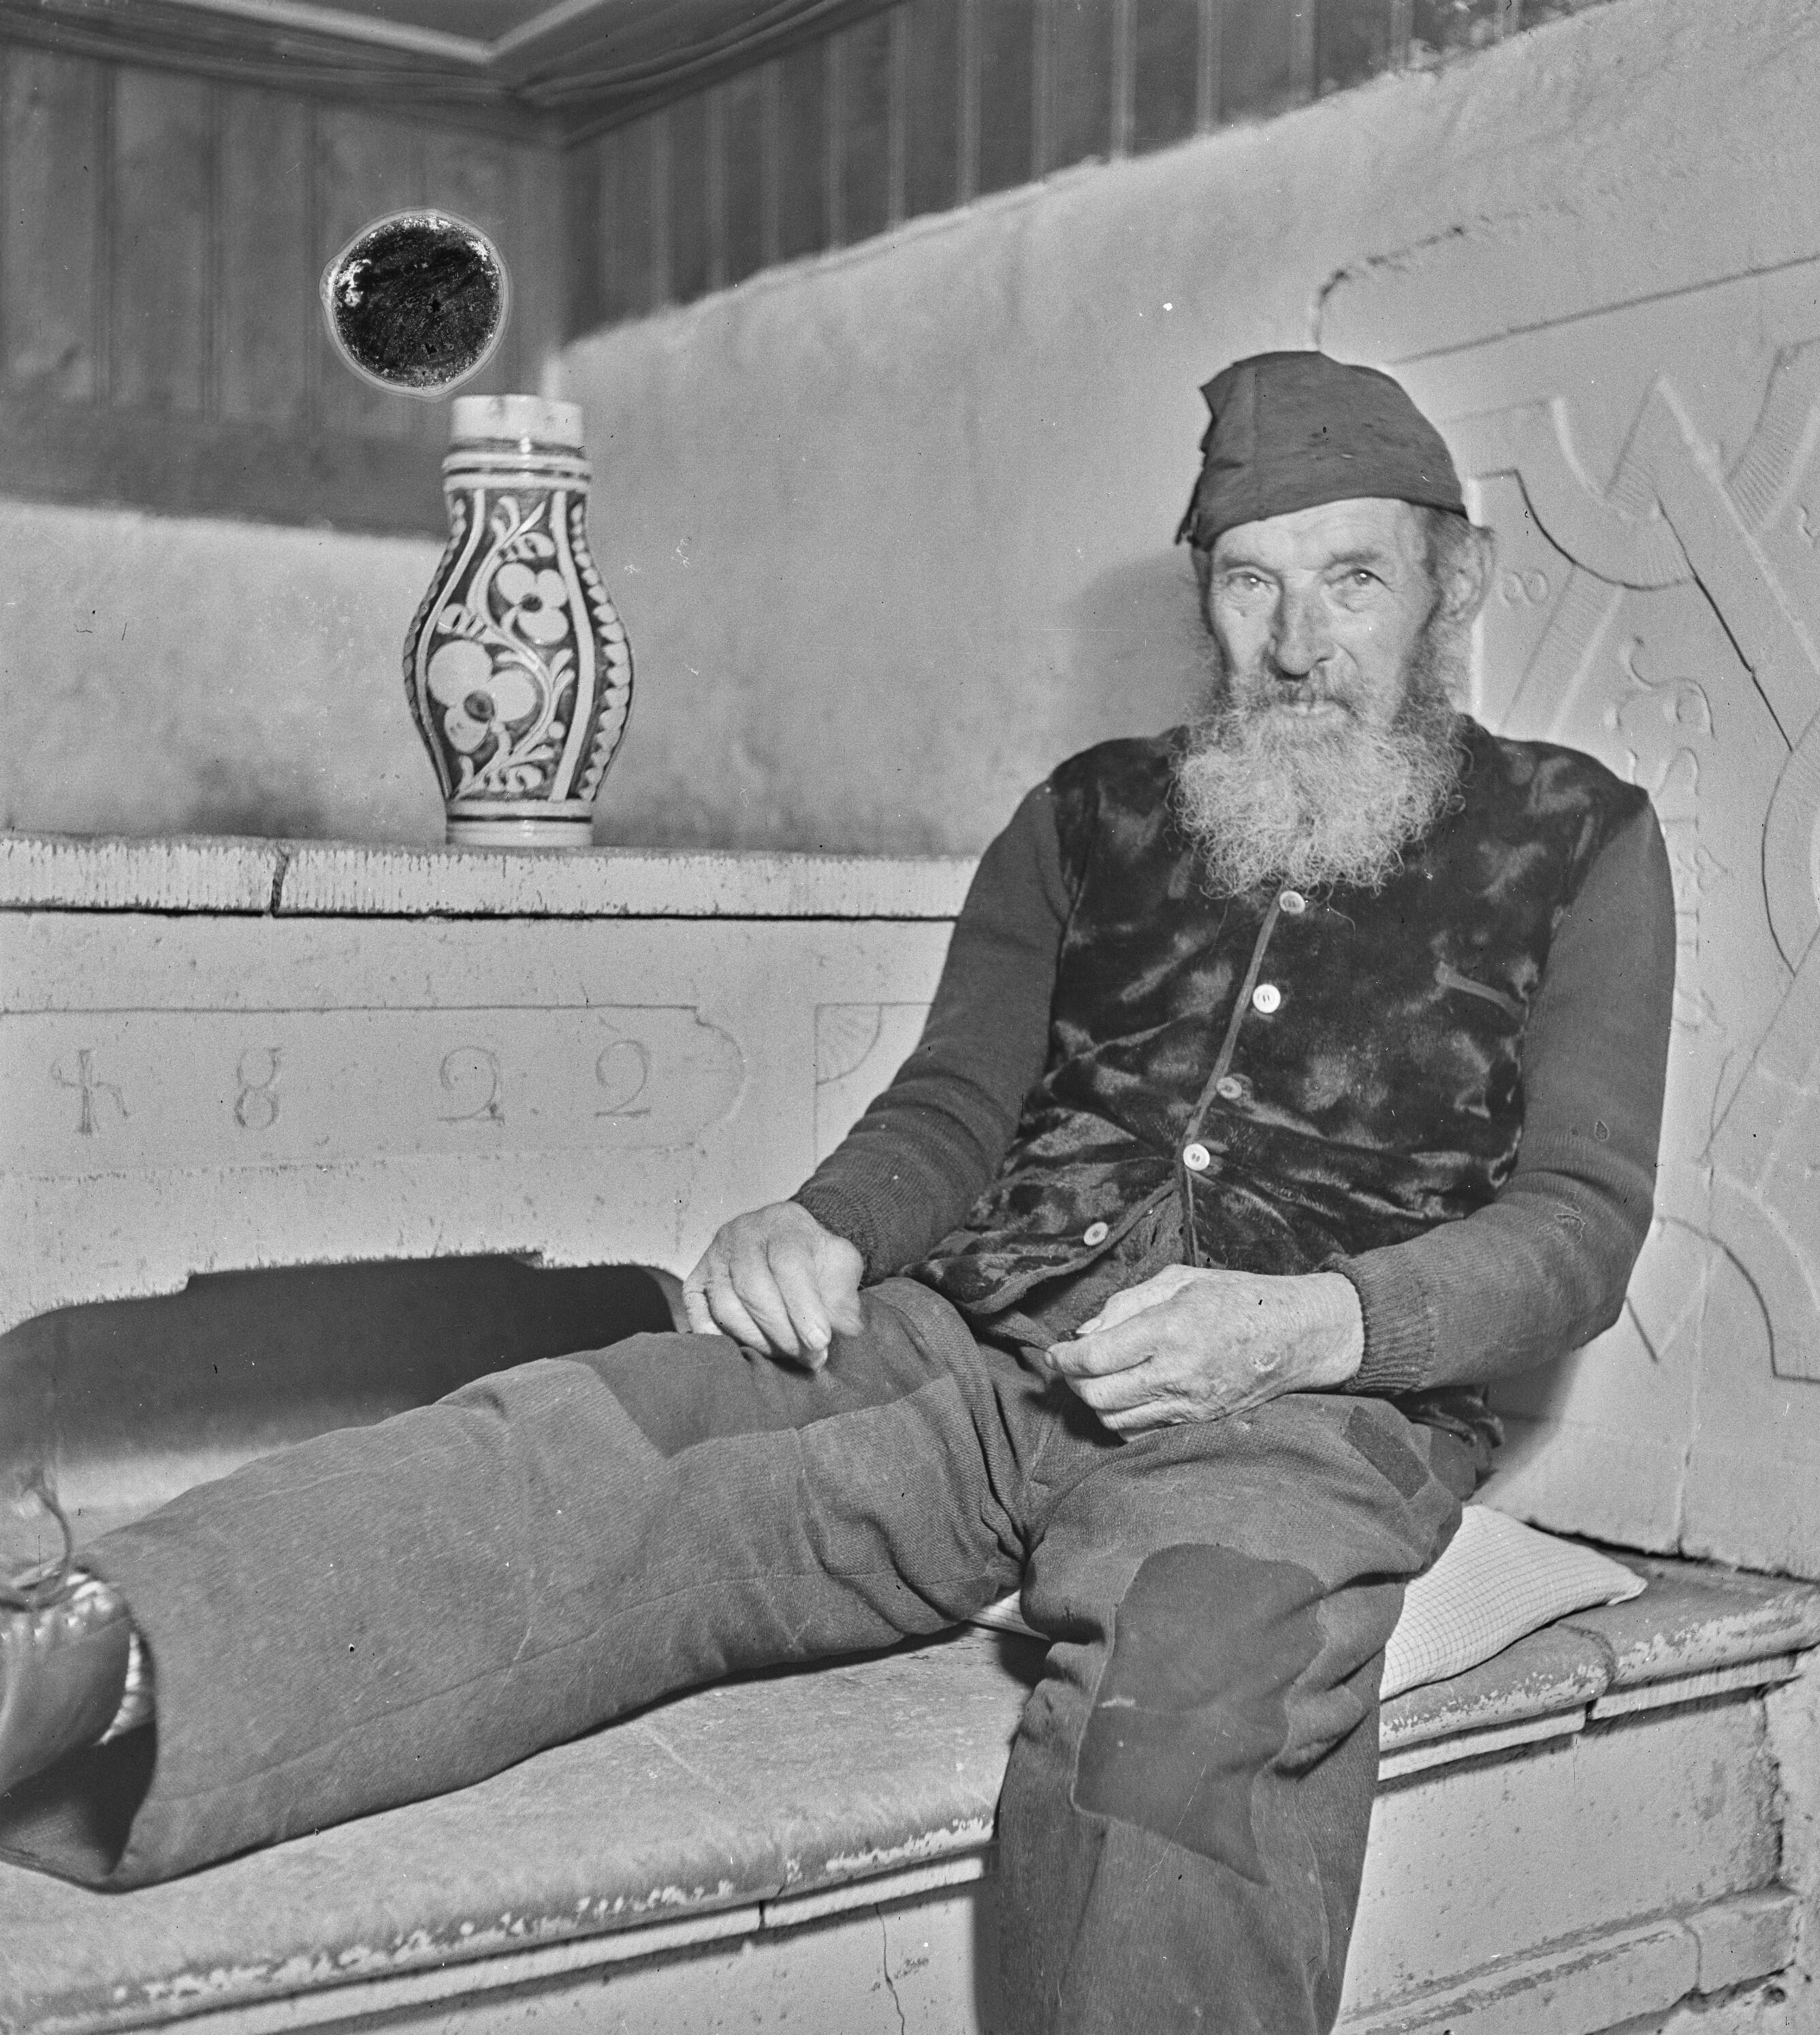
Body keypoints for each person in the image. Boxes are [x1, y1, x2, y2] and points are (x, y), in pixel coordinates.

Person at [0, 352, 1674, 2035]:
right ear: (1205, 599)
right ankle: (92, 1665)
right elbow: (955, 1107)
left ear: (1453, 582)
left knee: (1189, 1706)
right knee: (595, 1437)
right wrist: (823, 1224)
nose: (1298, 643)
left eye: (1353, 579)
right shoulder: (1089, 815)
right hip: (977, 1352)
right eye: (1252, 583)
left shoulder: (1578, 836)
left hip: (1302, 1409)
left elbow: (1579, 1228)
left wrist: (1311, 1326)